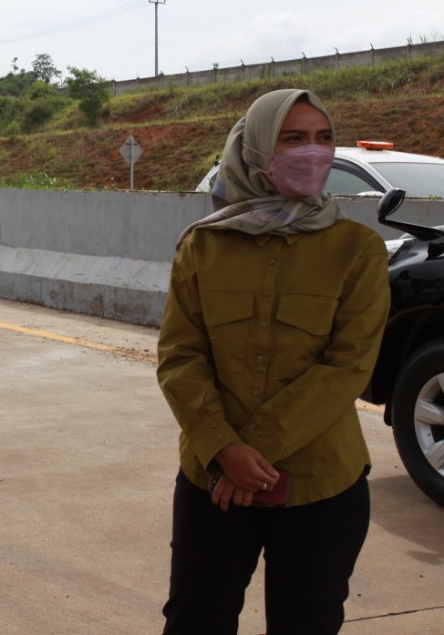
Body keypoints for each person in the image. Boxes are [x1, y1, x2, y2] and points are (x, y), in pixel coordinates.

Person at [156, 88, 390, 634]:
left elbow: (347, 366)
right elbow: (180, 357)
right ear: (256, 148)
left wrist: (249, 453)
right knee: (195, 620)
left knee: (307, 622)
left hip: (321, 485)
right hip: (213, 482)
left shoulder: (357, 249)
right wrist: (223, 449)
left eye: (323, 138)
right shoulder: (203, 247)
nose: (312, 151)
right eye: (293, 138)